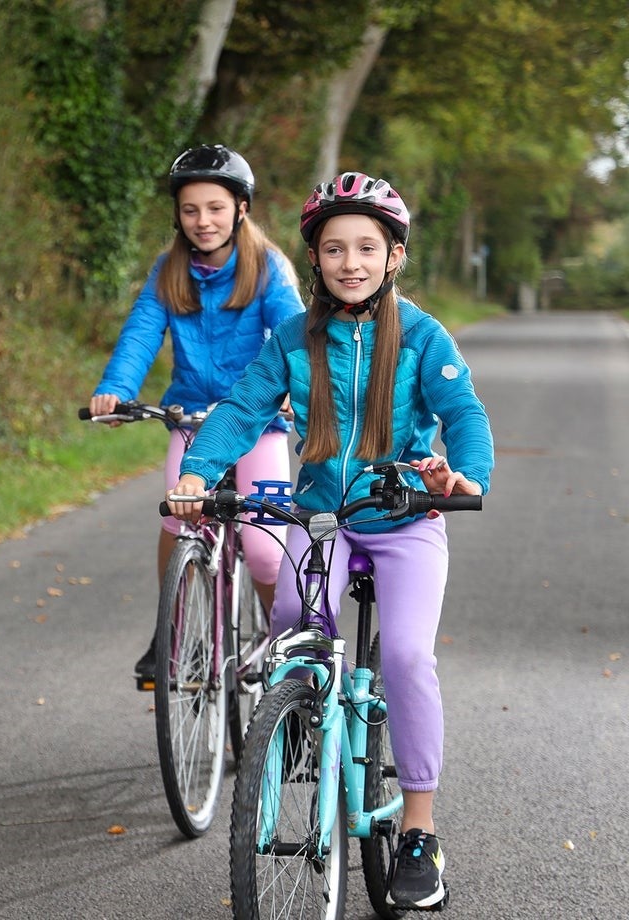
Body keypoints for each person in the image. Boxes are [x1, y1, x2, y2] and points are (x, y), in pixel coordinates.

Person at [166, 171, 494, 911]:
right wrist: (197, 470)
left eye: (367, 248)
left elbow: (463, 412)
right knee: (290, 629)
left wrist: (465, 475)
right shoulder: (294, 337)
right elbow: (243, 407)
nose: (351, 261)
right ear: (314, 258)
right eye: (335, 248)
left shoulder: (423, 335)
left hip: (404, 520)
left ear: (394, 256)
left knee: (407, 657)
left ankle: (417, 829)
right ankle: (303, 718)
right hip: (324, 518)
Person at [88, 144, 303, 680]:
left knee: (262, 548)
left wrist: (297, 387)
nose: (202, 221)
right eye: (190, 210)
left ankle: (288, 653)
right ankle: (175, 631)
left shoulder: (268, 266)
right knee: (177, 518)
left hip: (258, 424)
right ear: (177, 216)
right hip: (190, 421)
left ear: (241, 209)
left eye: (214, 207)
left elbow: (294, 331)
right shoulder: (170, 270)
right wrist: (115, 388)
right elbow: (140, 334)